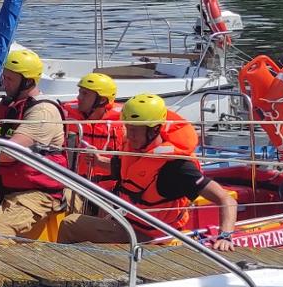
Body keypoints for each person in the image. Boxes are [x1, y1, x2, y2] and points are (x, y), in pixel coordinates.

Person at [57, 93, 238, 248]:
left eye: (135, 130)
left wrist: (225, 236)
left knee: (70, 224)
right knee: (79, 219)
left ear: (154, 130)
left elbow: (226, 199)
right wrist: (99, 161)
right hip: (127, 225)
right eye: (128, 128)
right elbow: (121, 169)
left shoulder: (177, 167)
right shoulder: (135, 151)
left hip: (154, 239)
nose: (130, 135)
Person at [0, 48, 70, 240]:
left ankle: (2, 269)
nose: (4, 83)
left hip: (36, 193)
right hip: (0, 185)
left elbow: (10, 153)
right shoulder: (10, 105)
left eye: (10, 79)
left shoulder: (43, 112)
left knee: (0, 233)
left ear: (27, 82)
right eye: (4, 77)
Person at [64, 72, 124, 179]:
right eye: (80, 92)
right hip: (75, 182)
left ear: (102, 100)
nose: (79, 97)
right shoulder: (66, 117)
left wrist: (101, 161)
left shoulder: (123, 124)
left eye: (85, 94)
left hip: (109, 189)